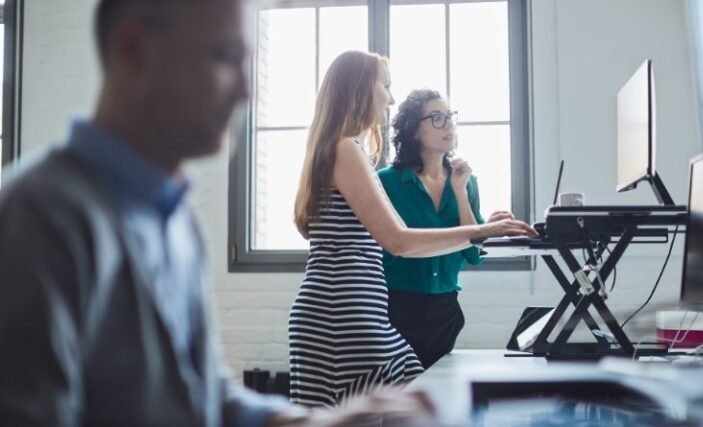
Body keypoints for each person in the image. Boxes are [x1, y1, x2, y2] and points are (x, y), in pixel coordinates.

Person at [0, 1, 435, 426]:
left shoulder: (177, 220)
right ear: (133, 50)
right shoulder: (42, 216)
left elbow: (205, 395)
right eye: (225, 56)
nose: (245, 90)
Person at [291, 52, 537, 408]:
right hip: (339, 316)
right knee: (415, 406)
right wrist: (481, 231)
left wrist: (479, 230)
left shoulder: (349, 150)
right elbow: (399, 241)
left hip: (359, 312)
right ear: (360, 89)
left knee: (419, 403)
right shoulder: (345, 149)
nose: (391, 99)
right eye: (385, 86)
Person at [378, 89, 517, 369]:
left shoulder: (466, 181)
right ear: (414, 130)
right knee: (399, 398)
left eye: (450, 117)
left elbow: (473, 254)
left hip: (446, 308)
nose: (449, 125)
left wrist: (460, 191)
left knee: (436, 398)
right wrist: (483, 228)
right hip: (397, 306)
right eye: (437, 118)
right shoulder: (386, 182)